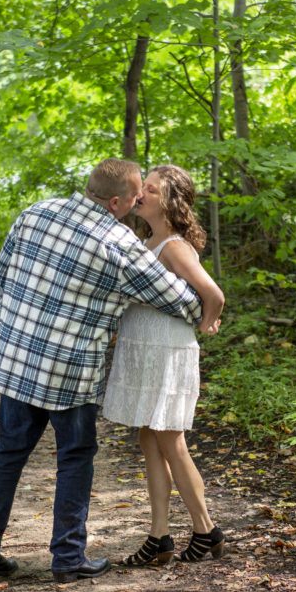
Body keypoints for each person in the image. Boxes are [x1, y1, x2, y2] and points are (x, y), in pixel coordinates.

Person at [0, 158, 214, 583]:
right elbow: (184, 300)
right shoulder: (117, 242)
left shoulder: (35, 214)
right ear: (116, 201)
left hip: (17, 362)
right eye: (137, 193)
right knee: (75, 459)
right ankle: (68, 559)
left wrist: (13, 331)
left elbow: (1, 276)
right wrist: (203, 310)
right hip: (70, 373)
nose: (140, 199)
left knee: (7, 455)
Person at [102, 164, 226, 566]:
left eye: (151, 191)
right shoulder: (149, 241)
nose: (141, 196)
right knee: (149, 438)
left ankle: (207, 530)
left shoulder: (173, 246)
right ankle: (159, 536)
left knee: (171, 440)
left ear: (170, 203)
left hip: (167, 351)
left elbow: (213, 293)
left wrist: (208, 321)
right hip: (146, 350)